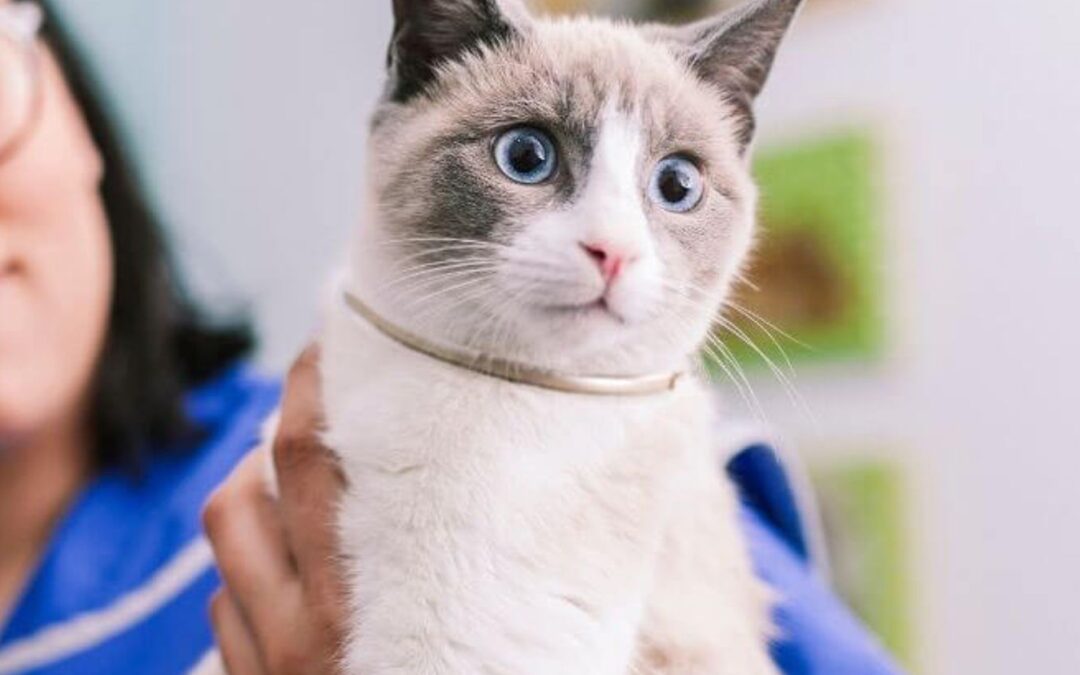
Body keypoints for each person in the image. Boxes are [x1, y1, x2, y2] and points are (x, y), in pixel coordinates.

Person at [0, 2, 904, 673]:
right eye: (528, 157)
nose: (614, 244)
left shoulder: (660, 472)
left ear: (79, 119)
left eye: (675, 186)